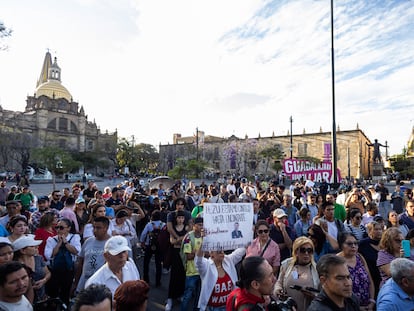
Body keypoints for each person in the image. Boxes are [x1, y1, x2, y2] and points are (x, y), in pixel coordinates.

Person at [195, 242, 246, 311]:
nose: (222, 252)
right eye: (219, 251)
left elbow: (240, 251)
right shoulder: (206, 266)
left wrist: (249, 235)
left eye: (222, 250)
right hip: (212, 308)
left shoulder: (228, 260)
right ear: (211, 254)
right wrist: (204, 242)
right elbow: (198, 261)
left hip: (229, 306)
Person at [274, 237, 320, 311]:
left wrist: (313, 296)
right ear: (296, 252)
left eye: (309, 250)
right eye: (303, 250)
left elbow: (323, 294)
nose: (306, 253)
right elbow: (279, 282)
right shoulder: (286, 264)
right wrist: (278, 290)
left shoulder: (317, 269)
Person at [44, 218, 81, 305]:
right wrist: (59, 244)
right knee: (53, 294)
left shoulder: (74, 237)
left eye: (61, 228)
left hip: (69, 271)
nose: (58, 230)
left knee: (66, 293)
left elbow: (77, 252)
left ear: (68, 228)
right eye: (57, 227)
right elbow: (49, 256)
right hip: (54, 271)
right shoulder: (51, 240)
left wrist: (66, 243)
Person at [336, 232, 375, 310]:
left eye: (355, 243)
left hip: (368, 306)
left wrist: (372, 302)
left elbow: (370, 281)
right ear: (341, 245)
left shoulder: (360, 257)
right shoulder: (336, 261)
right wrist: (357, 308)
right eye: (349, 244)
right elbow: (337, 289)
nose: (353, 246)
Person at [73, 216, 111, 293]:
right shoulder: (88, 241)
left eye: (98, 228)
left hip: (101, 287)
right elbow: (81, 263)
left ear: (106, 228)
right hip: (83, 285)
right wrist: (75, 283)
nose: (95, 230)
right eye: (94, 227)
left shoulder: (112, 243)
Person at [12, 235, 50, 303]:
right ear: (22, 250)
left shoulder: (39, 258)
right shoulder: (14, 265)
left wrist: (44, 280)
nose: (37, 247)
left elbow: (48, 273)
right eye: (32, 246)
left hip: (42, 298)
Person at [165, 210, 188, 311]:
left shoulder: (186, 228)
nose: (180, 220)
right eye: (179, 218)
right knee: (174, 275)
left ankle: (180, 294)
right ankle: (170, 298)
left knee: (183, 274)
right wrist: (181, 239)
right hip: (175, 254)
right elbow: (172, 242)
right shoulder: (173, 228)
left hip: (184, 253)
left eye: (182, 218)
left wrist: (178, 239)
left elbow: (184, 240)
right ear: (176, 219)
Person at [180, 217, 204, 311]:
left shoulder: (205, 237)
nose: (201, 227)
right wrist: (201, 252)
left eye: (202, 224)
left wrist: (196, 252)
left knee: (199, 296)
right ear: (193, 226)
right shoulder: (188, 237)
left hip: (202, 271)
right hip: (191, 272)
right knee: (188, 295)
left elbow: (208, 253)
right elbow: (189, 256)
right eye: (199, 225)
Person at [358, 221, 383, 298]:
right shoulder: (362, 244)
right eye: (376, 229)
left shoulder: (384, 243)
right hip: (369, 278)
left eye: (380, 229)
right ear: (369, 231)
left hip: (382, 278)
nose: (379, 231)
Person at [140, 210, 164, 287]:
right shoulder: (163, 225)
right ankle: (158, 281)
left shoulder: (149, 224)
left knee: (146, 262)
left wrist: (142, 242)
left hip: (149, 245)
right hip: (160, 246)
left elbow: (143, 234)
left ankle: (146, 279)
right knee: (158, 264)